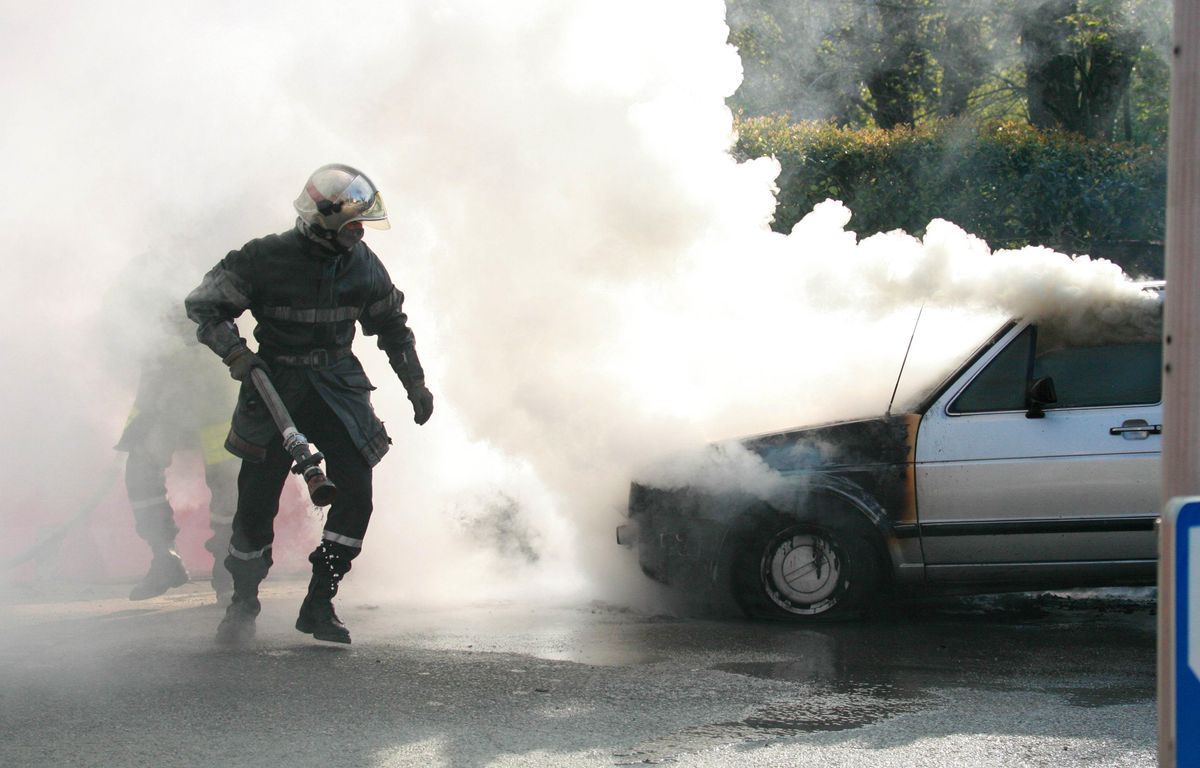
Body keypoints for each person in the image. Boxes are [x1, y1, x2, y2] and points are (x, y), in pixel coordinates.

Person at [184, 164, 433, 645]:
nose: (360, 233)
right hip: (273, 385)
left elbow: (392, 326)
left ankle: (320, 602)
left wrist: (415, 383)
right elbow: (203, 306)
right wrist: (236, 353)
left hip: (338, 387)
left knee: (356, 494)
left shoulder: (363, 264)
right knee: (255, 506)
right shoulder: (262, 258)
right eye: (353, 224)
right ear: (326, 220)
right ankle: (242, 604)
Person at [116, 318, 239, 601]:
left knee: (227, 478)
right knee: (141, 468)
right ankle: (164, 558)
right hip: (162, 390)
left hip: (213, 388)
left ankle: (227, 569)